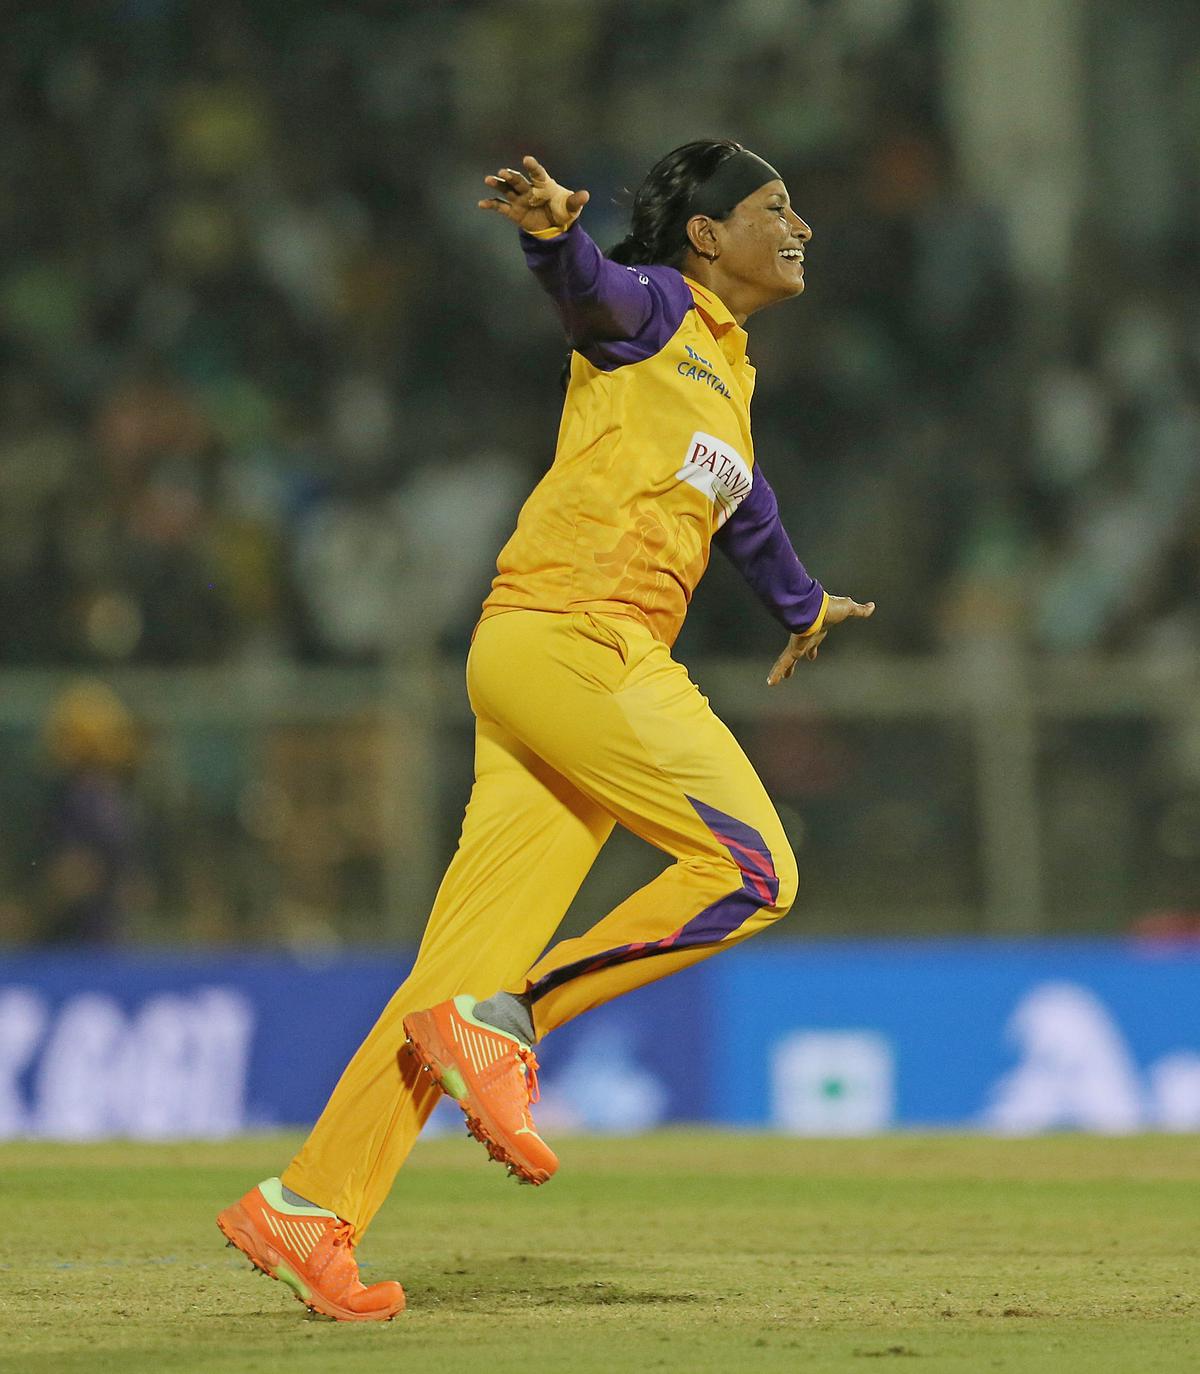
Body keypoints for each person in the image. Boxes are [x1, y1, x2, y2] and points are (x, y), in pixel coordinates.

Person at [217, 141, 875, 1321]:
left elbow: (746, 503)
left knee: (449, 976)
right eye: (780, 207)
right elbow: (594, 292)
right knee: (754, 868)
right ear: (710, 236)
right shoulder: (657, 304)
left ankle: (311, 1208)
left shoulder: (729, 375)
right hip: (583, 640)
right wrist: (552, 239)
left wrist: (800, 602)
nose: (804, 225)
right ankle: (518, 1020)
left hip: (533, 663)